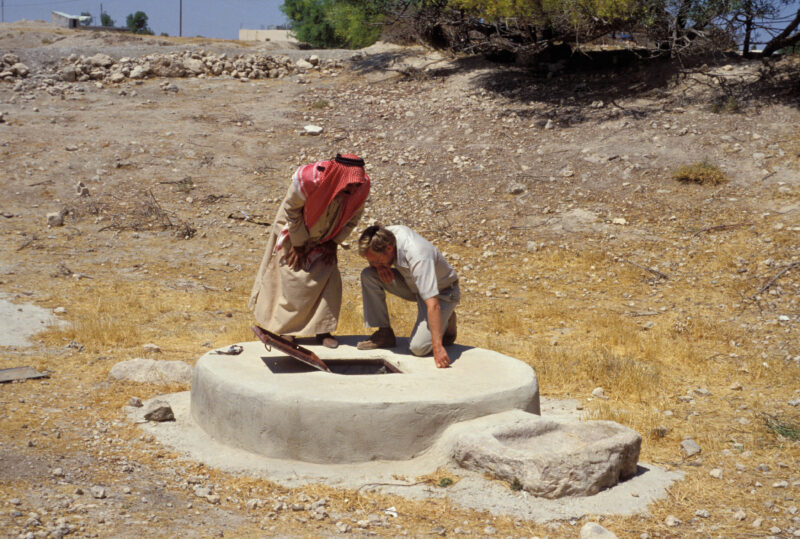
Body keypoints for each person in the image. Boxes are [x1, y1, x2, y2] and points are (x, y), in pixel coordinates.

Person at [249, 154, 370, 348]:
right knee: (293, 278)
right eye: (351, 185)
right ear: (339, 178)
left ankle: (322, 331)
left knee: (328, 278)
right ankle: (287, 332)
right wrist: (298, 244)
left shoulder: (359, 188)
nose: (354, 189)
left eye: (357, 185)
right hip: (294, 229)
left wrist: (334, 241)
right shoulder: (309, 180)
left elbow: (353, 218)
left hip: (328, 234)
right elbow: (291, 210)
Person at [356, 225, 459, 368]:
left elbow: (433, 304)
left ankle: (447, 318)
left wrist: (438, 347)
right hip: (413, 285)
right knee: (369, 275)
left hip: (442, 293)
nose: (373, 264)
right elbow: (374, 257)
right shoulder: (383, 236)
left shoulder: (418, 255)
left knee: (419, 348)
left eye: (376, 261)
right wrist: (380, 266)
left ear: (389, 249)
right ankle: (384, 333)